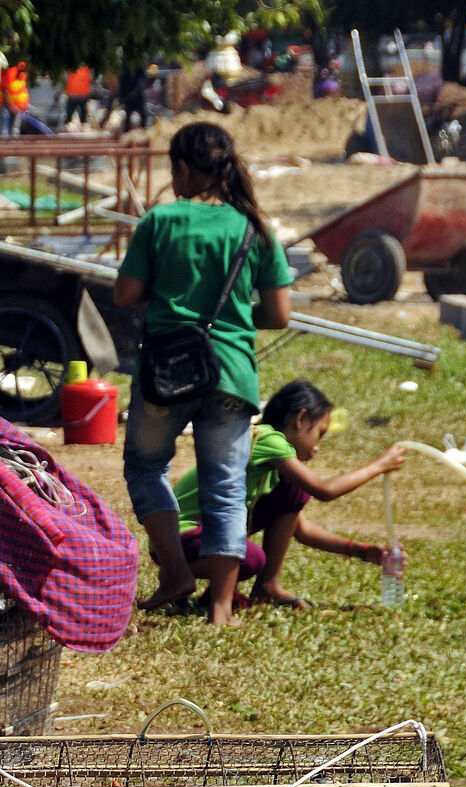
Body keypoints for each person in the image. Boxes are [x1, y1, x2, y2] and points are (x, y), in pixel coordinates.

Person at [111, 120, 291, 627]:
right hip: (231, 373)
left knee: (146, 467)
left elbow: (125, 294)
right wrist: (232, 323)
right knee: (226, 486)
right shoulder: (254, 227)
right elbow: (279, 313)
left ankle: (175, 572)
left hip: (165, 371)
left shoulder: (160, 222)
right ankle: (221, 608)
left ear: (185, 168)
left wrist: (171, 302)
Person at [169, 379, 407, 609]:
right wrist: (379, 465)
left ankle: (266, 586)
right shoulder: (266, 439)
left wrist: (361, 550)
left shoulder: (273, 465)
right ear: (301, 419)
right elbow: (325, 490)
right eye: (319, 434)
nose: (317, 448)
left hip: (205, 536)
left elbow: (301, 530)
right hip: (183, 536)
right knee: (252, 558)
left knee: (292, 489)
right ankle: (177, 573)